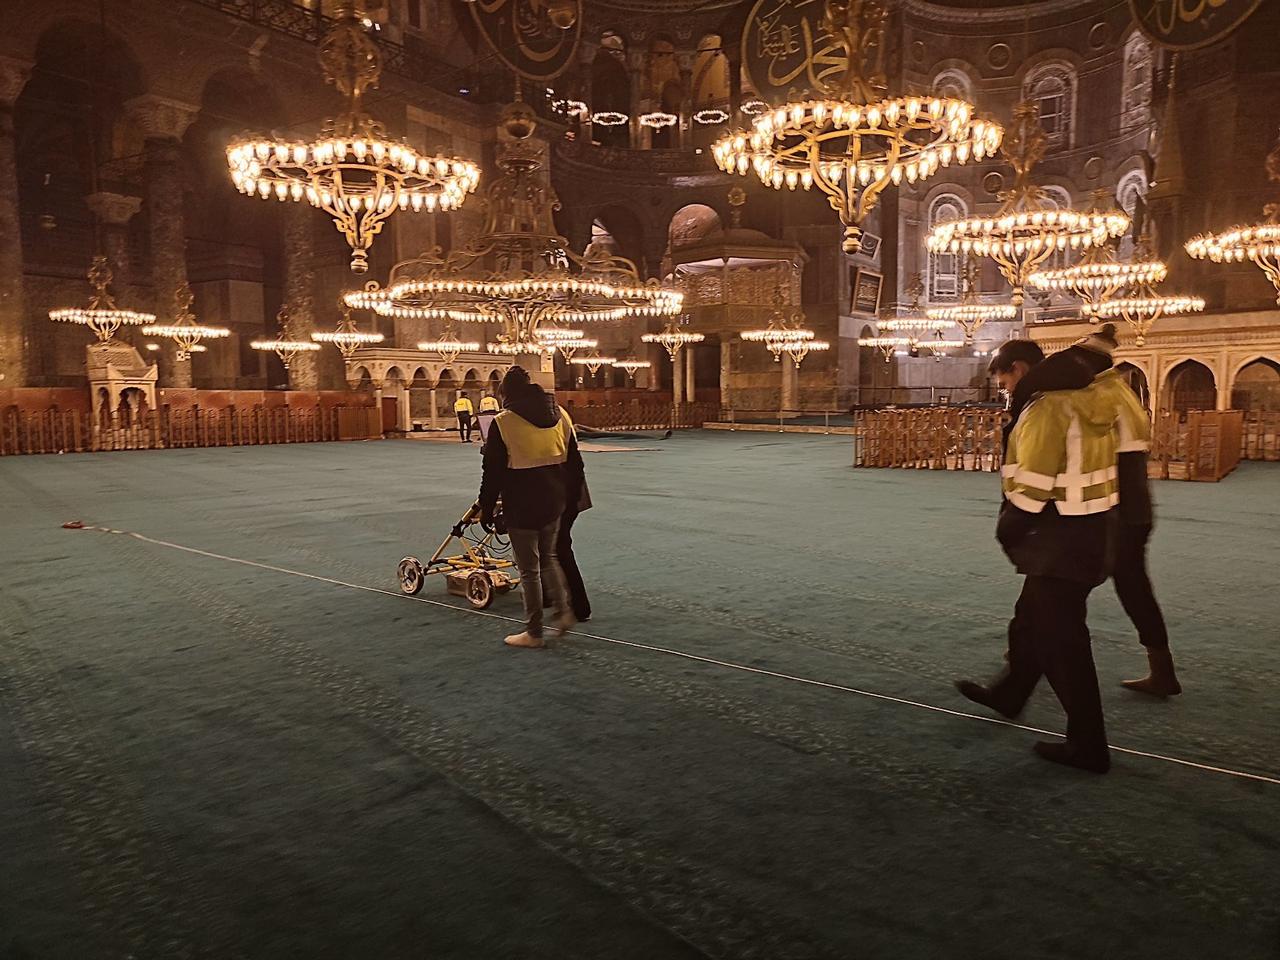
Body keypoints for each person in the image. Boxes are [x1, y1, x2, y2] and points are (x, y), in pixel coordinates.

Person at [955, 332, 1135, 774]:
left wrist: (1008, 531)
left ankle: (1089, 746)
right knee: (1030, 620)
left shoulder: (1045, 408)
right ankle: (1011, 693)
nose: (1004, 391)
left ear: (1017, 371)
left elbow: (1030, 489)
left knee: (1064, 645)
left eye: (1002, 382)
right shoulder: (1092, 399)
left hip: (1059, 540)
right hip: (1092, 529)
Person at [995, 327, 1181, 697]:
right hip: (1126, 509)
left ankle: (1025, 674)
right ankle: (1021, 671)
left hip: (1109, 512)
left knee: (1057, 601)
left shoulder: (1090, 396)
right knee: (1077, 595)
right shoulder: (1118, 391)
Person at [478, 366, 584, 648]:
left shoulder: (503, 422)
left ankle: (534, 632)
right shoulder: (560, 415)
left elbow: (492, 473)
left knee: (528, 570)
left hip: (522, 503)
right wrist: (571, 500)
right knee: (548, 558)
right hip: (555, 502)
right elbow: (575, 462)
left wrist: (486, 509)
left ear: (506, 394)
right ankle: (563, 613)